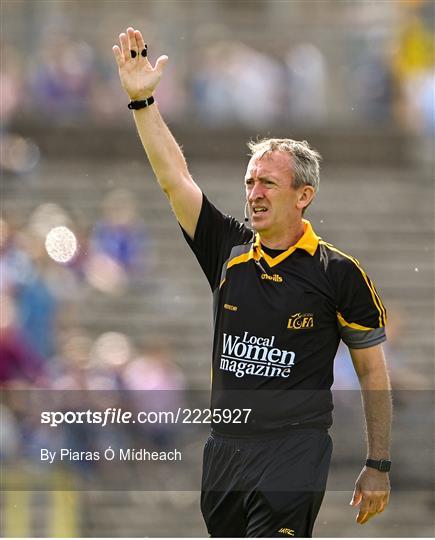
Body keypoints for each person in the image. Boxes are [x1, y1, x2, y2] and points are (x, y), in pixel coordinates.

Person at [113, 27, 392, 538]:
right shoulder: (228, 249)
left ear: (303, 195)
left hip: (295, 449)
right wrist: (143, 101)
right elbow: (175, 178)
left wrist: (379, 463)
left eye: (268, 182)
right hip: (225, 449)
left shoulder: (339, 273)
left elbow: (373, 373)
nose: (254, 193)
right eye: (249, 182)